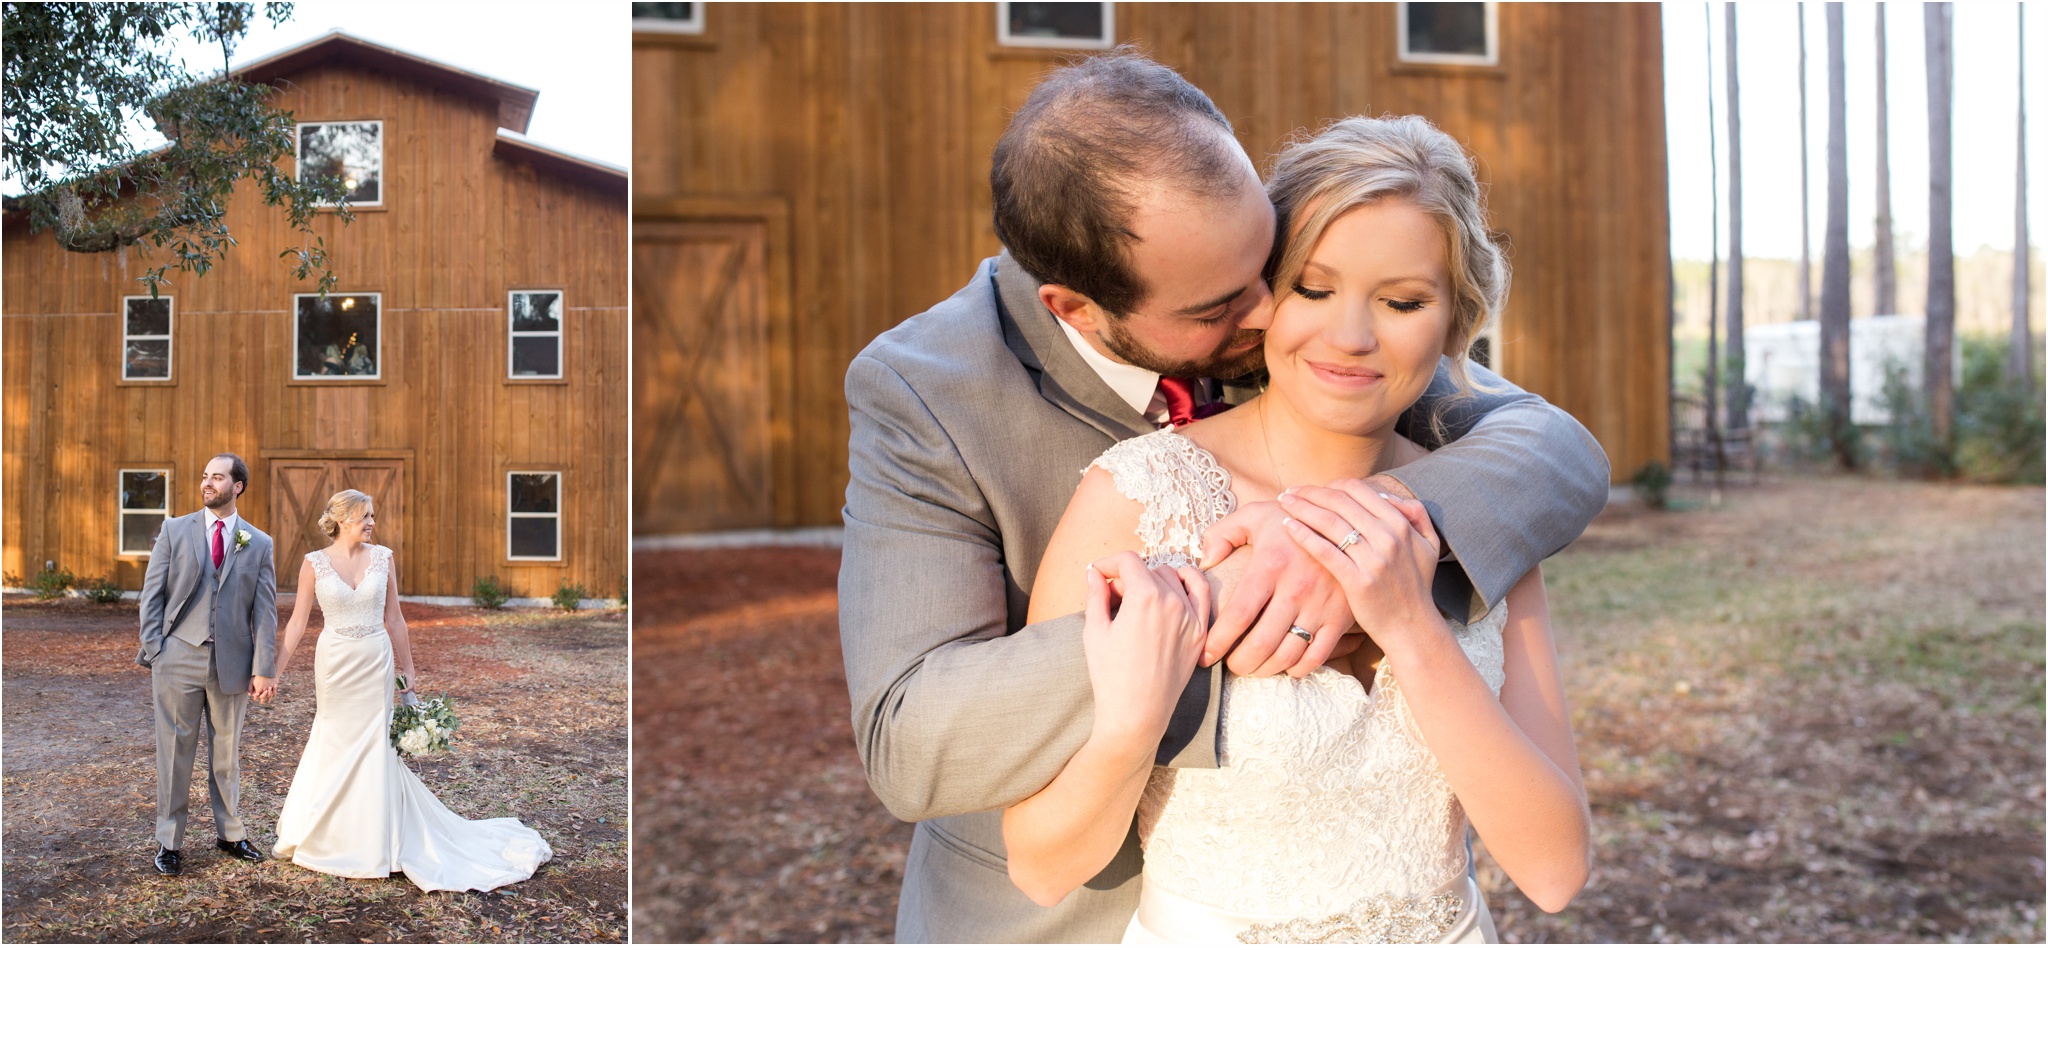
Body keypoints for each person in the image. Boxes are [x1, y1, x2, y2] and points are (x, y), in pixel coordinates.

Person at [838, 50, 1610, 943]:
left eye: (1270, 267)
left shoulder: (1374, 389)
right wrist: (1216, 600)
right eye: (1295, 289)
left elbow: (1548, 444)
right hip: (1060, 938)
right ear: (1078, 310)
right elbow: (909, 741)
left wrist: (1386, 551)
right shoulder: (936, 397)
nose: (1264, 316)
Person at [269, 489, 552, 892]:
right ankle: (325, 831)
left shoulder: (383, 558)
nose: (371, 522)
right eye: (365, 516)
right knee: (333, 737)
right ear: (344, 519)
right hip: (333, 664)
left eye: (372, 515)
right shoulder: (314, 563)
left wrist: (410, 673)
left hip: (373, 661)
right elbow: (297, 623)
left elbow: (395, 619)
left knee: (374, 744)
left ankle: (376, 839)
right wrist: (275, 670)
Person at [136, 453, 278, 875]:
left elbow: (266, 612)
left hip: (232, 663)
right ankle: (169, 842)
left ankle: (230, 834)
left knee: (226, 754)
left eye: (217, 477)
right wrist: (157, 649)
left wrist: (264, 667)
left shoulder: (258, 542)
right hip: (177, 656)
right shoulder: (175, 530)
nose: (207, 483)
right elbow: (152, 594)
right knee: (175, 752)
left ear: (238, 486)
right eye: (204, 477)